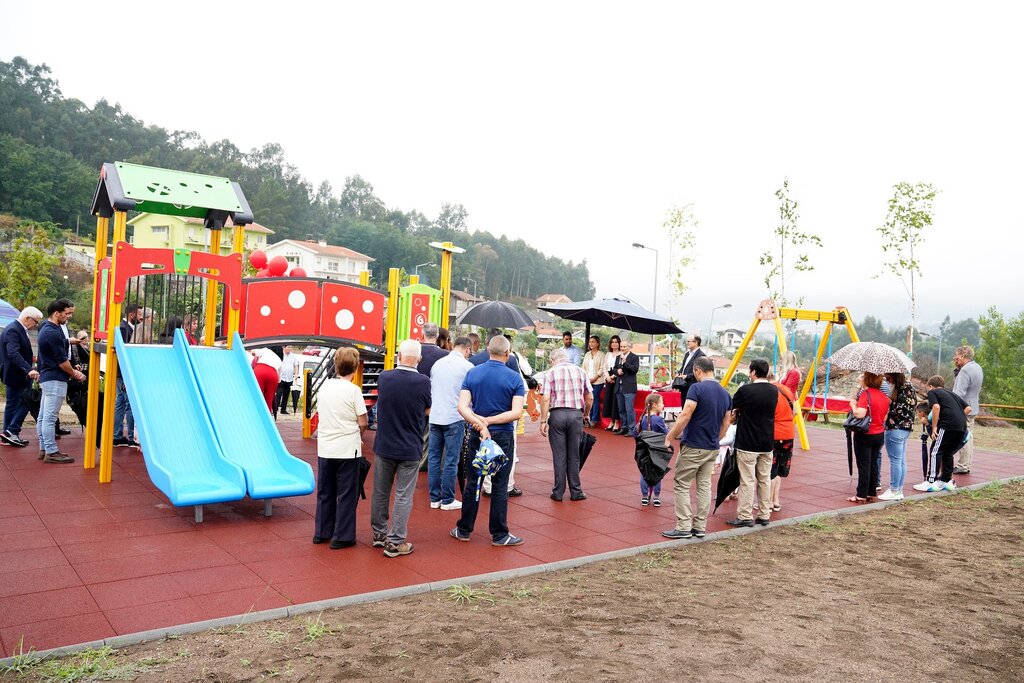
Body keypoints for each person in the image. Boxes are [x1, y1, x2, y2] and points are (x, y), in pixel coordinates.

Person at [451, 334, 526, 546]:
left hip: (477, 432)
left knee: (473, 481)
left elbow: (462, 407)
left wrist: (480, 423)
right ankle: (499, 534)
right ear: (508, 353)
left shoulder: (473, 372)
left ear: (487, 350)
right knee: (500, 484)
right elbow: (517, 412)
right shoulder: (514, 378)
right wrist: (491, 421)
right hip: (502, 435)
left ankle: (464, 529)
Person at [372, 339, 431, 558]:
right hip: (410, 446)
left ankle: (379, 534)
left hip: (385, 444)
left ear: (398, 356)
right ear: (420, 359)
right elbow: (427, 409)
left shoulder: (385, 377)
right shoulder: (423, 382)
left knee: (380, 491)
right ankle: (395, 541)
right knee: (403, 495)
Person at [662, 357, 733, 538]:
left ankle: (684, 525)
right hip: (711, 446)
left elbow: (685, 415)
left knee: (682, 483)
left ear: (697, 371)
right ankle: (700, 526)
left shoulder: (696, 388)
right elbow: (727, 420)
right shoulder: (725, 393)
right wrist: (717, 438)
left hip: (694, 444)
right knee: (704, 485)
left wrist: (669, 437)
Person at [313, 347, 368, 549]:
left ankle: (321, 532)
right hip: (347, 447)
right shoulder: (354, 391)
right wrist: (358, 435)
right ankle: (342, 536)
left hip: (326, 445)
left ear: (336, 365)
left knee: (325, 491)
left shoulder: (325, 387)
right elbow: (363, 421)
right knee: (346, 492)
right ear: (354, 367)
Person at [727, 359, 781, 527]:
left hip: (747, 442)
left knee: (747, 480)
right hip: (766, 441)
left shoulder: (745, 390)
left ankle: (745, 515)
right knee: (764, 479)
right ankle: (764, 513)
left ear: (753, 372)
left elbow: (733, 409)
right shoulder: (774, 391)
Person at [539, 347, 593, 502]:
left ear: (552, 360)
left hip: (557, 415)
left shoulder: (550, 373)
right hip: (576, 414)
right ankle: (576, 491)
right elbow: (589, 397)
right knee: (574, 454)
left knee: (559, 455)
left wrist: (543, 420)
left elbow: (545, 399)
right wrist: (586, 414)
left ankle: (558, 492)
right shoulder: (580, 371)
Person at [428, 336, 473, 510]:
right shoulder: (467, 367)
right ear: (468, 349)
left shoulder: (437, 364)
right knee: (451, 459)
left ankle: (435, 498)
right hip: (455, 417)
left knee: (434, 458)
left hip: (436, 415)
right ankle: (447, 499)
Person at [36, 299, 84, 464]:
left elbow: (58, 343)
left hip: (48, 377)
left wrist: (71, 341)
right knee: (50, 418)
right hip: (55, 378)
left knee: (43, 417)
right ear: (57, 313)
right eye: (67, 313)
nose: (69, 317)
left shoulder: (46, 327)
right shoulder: (53, 332)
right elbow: (62, 362)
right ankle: (51, 451)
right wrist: (76, 373)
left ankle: (44, 449)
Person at [913, 375, 970, 493]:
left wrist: (934, 427)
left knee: (935, 451)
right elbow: (968, 408)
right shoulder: (952, 394)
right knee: (948, 453)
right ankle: (946, 480)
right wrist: (957, 417)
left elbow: (936, 407)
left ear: (930, 386)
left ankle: (930, 481)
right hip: (962, 427)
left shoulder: (933, 392)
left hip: (947, 425)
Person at [0, 306, 43, 448]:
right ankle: (10, 432)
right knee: (25, 402)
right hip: (16, 374)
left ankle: (9, 434)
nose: (36, 325)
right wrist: (28, 369)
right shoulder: (13, 330)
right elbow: (12, 353)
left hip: (17, 374)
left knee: (14, 404)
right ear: (27, 318)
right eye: (35, 322)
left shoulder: (17, 329)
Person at [846, 372, 891, 503]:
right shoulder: (884, 396)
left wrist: (853, 405)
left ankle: (861, 494)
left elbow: (860, 414)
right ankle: (871, 492)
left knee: (863, 465)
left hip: (865, 434)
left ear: (867, 380)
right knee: (873, 464)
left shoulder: (866, 394)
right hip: (879, 433)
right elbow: (884, 417)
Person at [878, 372, 916, 501]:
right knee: (901, 460)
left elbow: (896, 411)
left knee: (895, 460)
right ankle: (898, 489)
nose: (887, 381)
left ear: (894, 377)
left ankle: (894, 489)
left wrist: (887, 403)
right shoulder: (910, 387)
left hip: (894, 428)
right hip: (906, 428)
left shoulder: (898, 390)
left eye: (888, 378)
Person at [951, 345, 983, 474]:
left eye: (957, 356)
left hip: (964, 408)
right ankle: (966, 464)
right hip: (973, 405)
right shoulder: (977, 367)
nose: (955, 358)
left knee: (963, 436)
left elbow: (959, 392)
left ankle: (963, 465)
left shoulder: (965, 370)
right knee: (969, 436)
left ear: (963, 355)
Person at [112, 303, 140, 447]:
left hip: (121, 372)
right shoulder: (124, 329)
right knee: (126, 403)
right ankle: (129, 436)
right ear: (131, 314)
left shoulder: (126, 328)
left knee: (121, 403)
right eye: (139, 315)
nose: (140, 318)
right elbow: (122, 353)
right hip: (123, 372)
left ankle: (117, 435)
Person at [635, 393, 669, 506]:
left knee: (644, 472)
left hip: (644, 450)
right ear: (654, 405)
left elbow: (635, 433)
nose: (663, 405)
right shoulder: (659, 419)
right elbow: (666, 433)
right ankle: (656, 496)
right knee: (657, 471)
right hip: (656, 451)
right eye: (661, 403)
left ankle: (645, 496)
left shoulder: (642, 418)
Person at [768, 371, 795, 512]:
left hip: (774, 432)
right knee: (779, 469)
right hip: (788, 433)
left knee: (769, 469)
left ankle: (767, 502)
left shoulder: (769, 392)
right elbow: (795, 411)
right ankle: (775, 500)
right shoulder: (787, 390)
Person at [613, 340, 640, 436]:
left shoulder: (634, 357)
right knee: (621, 409)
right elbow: (614, 369)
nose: (622, 348)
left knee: (629, 409)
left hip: (629, 387)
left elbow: (634, 370)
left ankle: (632, 429)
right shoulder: (618, 357)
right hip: (619, 385)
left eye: (624, 347)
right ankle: (624, 427)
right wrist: (617, 371)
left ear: (629, 347)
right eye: (621, 346)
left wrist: (625, 362)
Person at [581, 335, 606, 426]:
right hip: (587, 381)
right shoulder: (587, 354)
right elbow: (583, 367)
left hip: (598, 381)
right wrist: (586, 378)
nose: (591, 343)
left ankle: (594, 420)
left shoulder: (602, 354)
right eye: (590, 342)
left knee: (594, 398)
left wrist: (594, 378)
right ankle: (587, 418)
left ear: (597, 343)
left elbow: (603, 368)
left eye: (593, 342)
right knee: (587, 399)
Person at [675, 334, 706, 401]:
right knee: (683, 405)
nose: (687, 343)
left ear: (696, 342)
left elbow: (700, 371)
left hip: (693, 385)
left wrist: (686, 376)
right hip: (683, 385)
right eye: (687, 341)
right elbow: (683, 367)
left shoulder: (701, 355)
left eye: (689, 341)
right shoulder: (687, 354)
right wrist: (679, 373)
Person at [252, 346, 283, 413]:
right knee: (269, 398)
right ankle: (266, 416)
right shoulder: (280, 361)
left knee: (256, 393)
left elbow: (253, 352)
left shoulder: (266, 350)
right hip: (273, 375)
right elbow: (279, 380)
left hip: (260, 370)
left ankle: (253, 411)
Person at [602, 335, 622, 432]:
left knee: (616, 400)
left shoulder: (621, 354)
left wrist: (613, 377)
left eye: (616, 342)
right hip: (608, 378)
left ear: (619, 343)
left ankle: (617, 422)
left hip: (617, 378)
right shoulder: (608, 354)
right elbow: (604, 367)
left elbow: (621, 368)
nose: (614, 344)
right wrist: (607, 377)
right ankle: (611, 421)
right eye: (612, 342)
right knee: (608, 400)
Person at [275, 346, 299, 417]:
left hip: (289, 378)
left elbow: (296, 365)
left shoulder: (293, 356)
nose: (290, 349)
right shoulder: (281, 354)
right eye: (288, 347)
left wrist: (296, 374)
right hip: (281, 377)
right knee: (278, 394)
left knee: (286, 394)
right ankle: (275, 409)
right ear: (284, 347)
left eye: (291, 347)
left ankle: (283, 409)